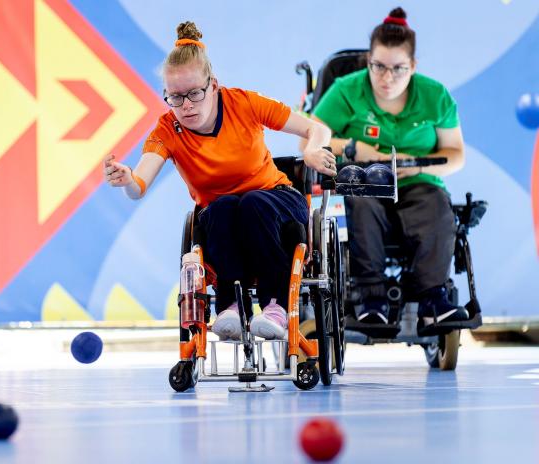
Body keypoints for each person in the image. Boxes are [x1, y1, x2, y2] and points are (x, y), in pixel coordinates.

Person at [103, 21, 335, 341]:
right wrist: (127, 178)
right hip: (223, 219)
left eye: (195, 93)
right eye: (175, 97)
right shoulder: (167, 130)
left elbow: (317, 129)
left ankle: (276, 306)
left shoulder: (245, 104)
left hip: (276, 201)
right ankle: (230, 308)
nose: (186, 105)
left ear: (213, 85)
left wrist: (311, 150)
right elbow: (138, 185)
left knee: (251, 202)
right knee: (224, 206)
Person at [308, 7, 469, 330]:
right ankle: (371, 297)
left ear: (413, 66)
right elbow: (310, 141)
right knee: (361, 203)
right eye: (378, 66)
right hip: (366, 180)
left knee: (438, 207)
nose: (386, 77)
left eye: (398, 69)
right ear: (368, 60)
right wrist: (354, 149)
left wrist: (412, 165)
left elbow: (456, 155)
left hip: (417, 179)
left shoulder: (434, 96)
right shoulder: (346, 90)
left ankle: (432, 298)